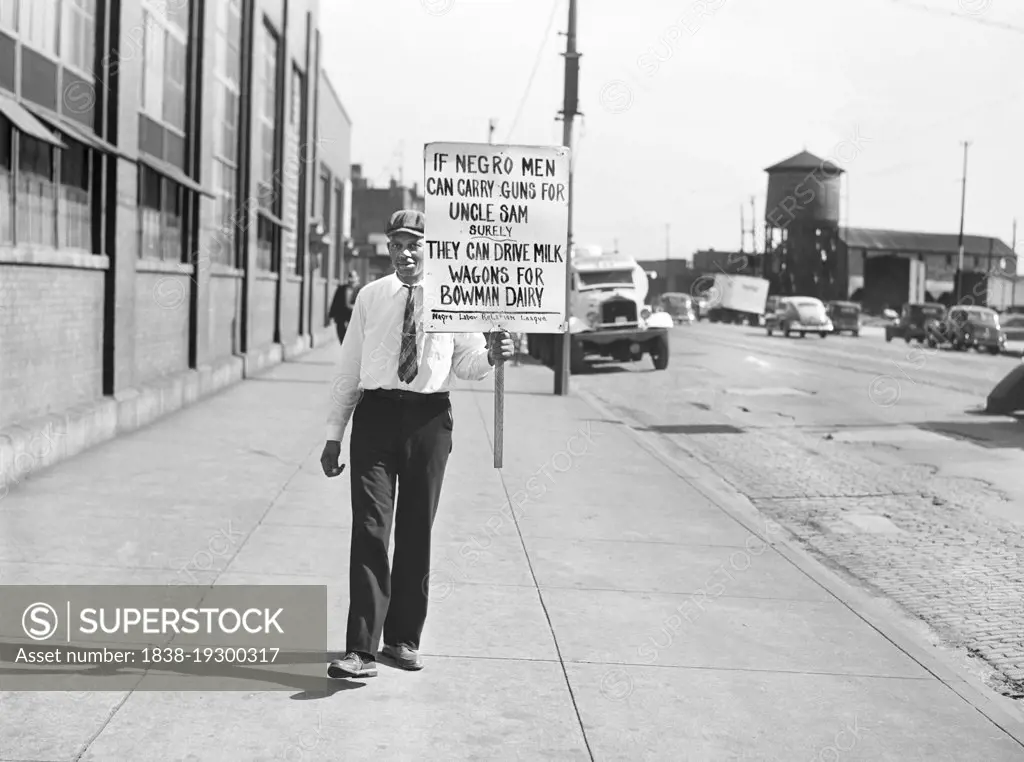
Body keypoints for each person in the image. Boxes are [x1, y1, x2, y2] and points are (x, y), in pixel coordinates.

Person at [321, 209, 514, 679]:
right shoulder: (370, 297)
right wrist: (334, 433)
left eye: (415, 244)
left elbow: (466, 362)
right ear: (387, 249)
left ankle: (402, 640)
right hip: (375, 415)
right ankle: (360, 650)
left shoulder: (455, 298)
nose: (405, 253)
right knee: (369, 528)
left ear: (430, 247)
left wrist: (491, 354)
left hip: (429, 420)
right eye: (397, 244)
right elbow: (349, 368)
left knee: (415, 531)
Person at [328, 270, 361, 345]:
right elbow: (335, 302)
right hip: (341, 318)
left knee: (353, 340)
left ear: (357, 279)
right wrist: (331, 315)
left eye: (353, 278)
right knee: (342, 337)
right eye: (350, 277)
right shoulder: (341, 289)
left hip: (354, 319)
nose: (351, 280)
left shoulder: (361, 291)